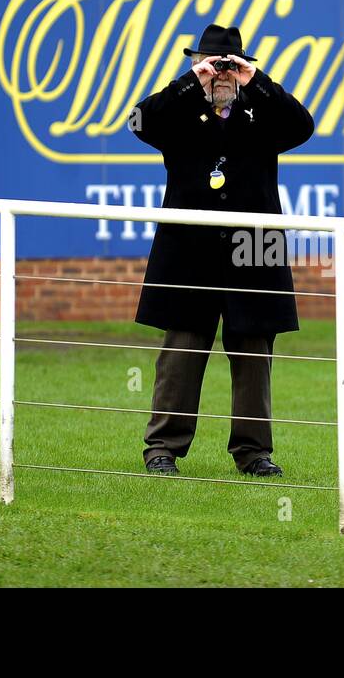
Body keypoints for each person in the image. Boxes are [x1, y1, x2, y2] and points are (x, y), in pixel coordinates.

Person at [130, 24, 314, 477]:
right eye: (214, 67)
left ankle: (253, 453)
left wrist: (260, 81)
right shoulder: (179, 108)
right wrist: (191, 80)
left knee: (254, 349)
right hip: (190, 245)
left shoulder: (262, 110)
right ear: (199, 67)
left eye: (230, 68)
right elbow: (138, 121)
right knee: (183, 349)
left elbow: (303, 126)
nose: (222, 76)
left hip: (254, 246)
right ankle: (162, 449)